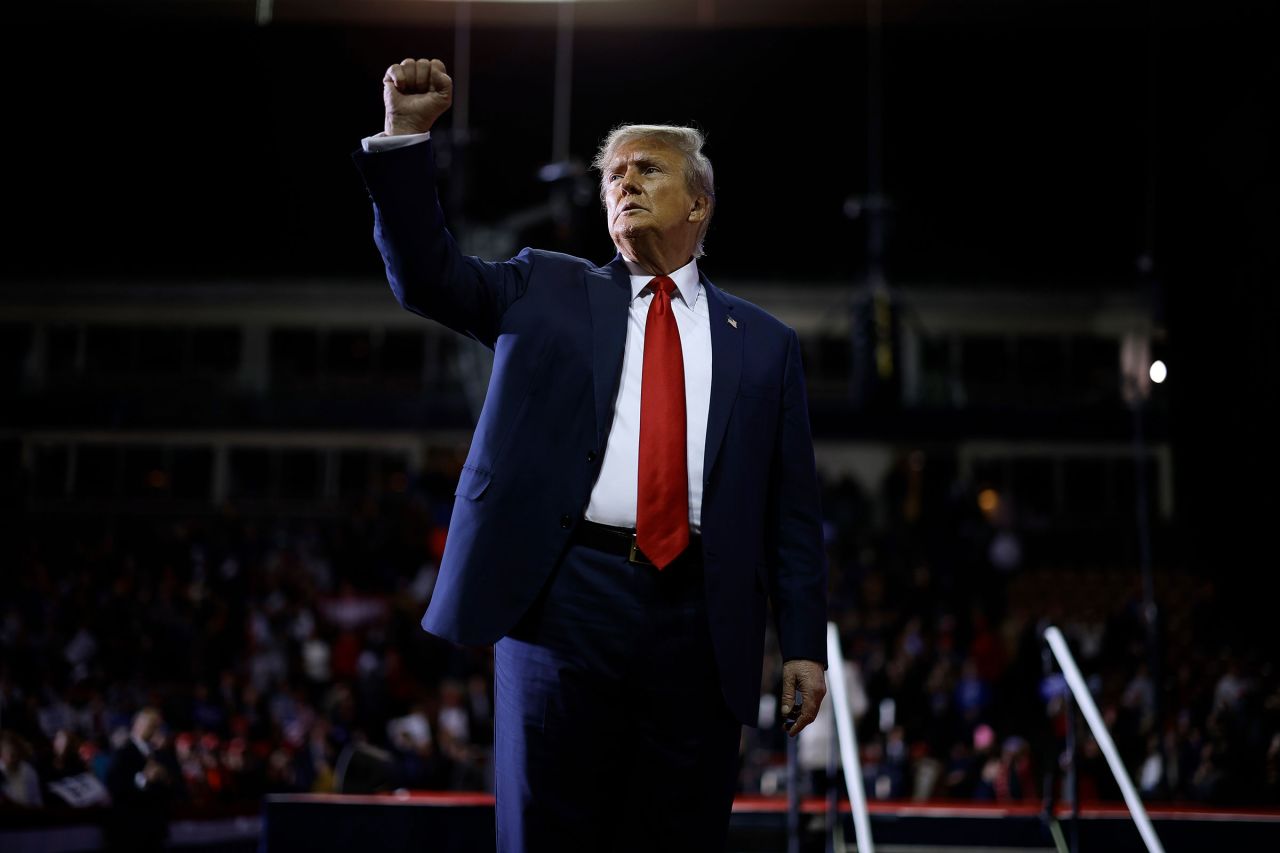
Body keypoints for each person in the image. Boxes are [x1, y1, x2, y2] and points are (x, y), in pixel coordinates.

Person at [351, 57, 828, 852]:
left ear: (700, 202)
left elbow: (794, 512)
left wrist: (805, 642)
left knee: (679, 831)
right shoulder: (546, 286)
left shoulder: (768, 345)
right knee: (547, 830)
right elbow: (428, 277)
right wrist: (405, 141)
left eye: (648, 168)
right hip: (562, 598)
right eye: (612, 174)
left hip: (702, 619)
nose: (623, 182)